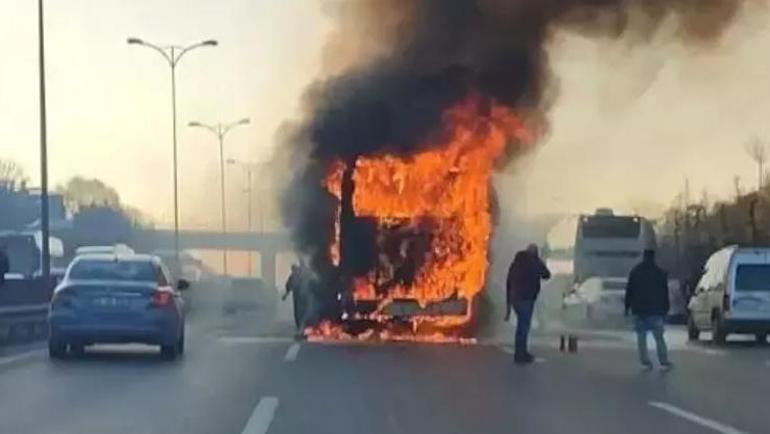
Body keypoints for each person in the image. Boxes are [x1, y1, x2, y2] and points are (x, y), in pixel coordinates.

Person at [625, 249, 672, 371]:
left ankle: (645, 361)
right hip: (655, 310)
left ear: (644, 257)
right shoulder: (659, 273)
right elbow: (664, 293)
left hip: (639, 310)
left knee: (641, 337)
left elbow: (629, 291)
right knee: (659, 337)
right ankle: (663, 360)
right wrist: (666, 309)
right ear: (653, 257)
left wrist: (627, 308)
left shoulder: (635, 272)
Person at [506, 244, 551, 364]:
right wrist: (538, 261)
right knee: (523, 327)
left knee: (521, 326)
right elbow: (546, 275)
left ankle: (520, 353)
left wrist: (508, 307)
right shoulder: (534, 262)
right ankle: (521, 354)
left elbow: (509, 283)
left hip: (515, 298)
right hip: (526, 298)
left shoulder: (516, 263)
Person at [282, 264, 306, 332]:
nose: (293, 271)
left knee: (302, 310)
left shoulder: (301, 276)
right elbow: (289, 285)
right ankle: (299, 325)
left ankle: (302, 324)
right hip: (297, 295)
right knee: (297, 311)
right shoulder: (293, 277)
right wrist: (286, 295)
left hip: (302, 296)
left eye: (294, 270)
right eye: (293, 270)